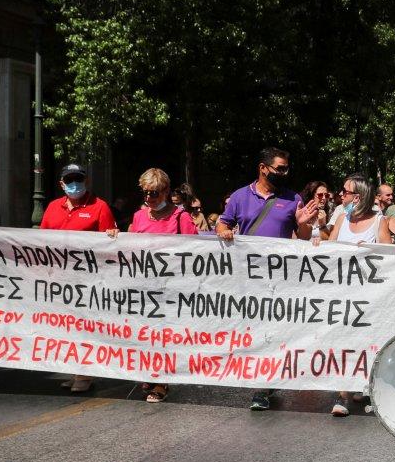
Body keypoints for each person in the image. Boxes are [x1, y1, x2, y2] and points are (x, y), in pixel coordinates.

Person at [217, 147, 320, 411]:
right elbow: (222, 223)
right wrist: (224, 232)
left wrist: (305, 222)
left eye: (287, 168)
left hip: (279, 280)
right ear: (263, 168)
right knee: (254, 329)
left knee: (272, 331)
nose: (285, 173)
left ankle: (263, 385)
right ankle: (263, 378)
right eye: (280, 168)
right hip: (249, 279)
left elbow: (305, 237)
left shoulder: (292, 197)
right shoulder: (240, 196)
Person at [106, 168, 196, 402]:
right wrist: (117, 236)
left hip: (170, 288)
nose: (148, 198)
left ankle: (161, 383)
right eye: (145, 193)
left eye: (154, 193)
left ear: (165, 191)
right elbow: (129, 247)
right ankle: (150, 371)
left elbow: (196, 252)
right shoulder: (138, 216)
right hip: (143, 287)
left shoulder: (181, 217)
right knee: (145, 333)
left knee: (163, 335)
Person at [39, 163, 117, 393]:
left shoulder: (100, 207)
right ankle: (75, 371)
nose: (75, 184)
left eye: (79, 179)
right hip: (58, 280)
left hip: (87, 281)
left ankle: (85, 374)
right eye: (70, 180)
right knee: (67, 327)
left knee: (85, 327)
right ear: (61, 183)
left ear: (86, 182)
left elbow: (109, 245)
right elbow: (39, 240)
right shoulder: (53, 207)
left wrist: (112, 235)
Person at [327, 174, 391, 416]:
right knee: (342, 343)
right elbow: (329, 252)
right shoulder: (342, 219)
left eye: (345, 191)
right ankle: (342, 395)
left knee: (366, 343)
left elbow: (390, 258)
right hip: (341, 296)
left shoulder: (379, 222)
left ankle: (368, 386)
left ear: (359, 196)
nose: (340, 195)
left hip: (368, 298)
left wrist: (371, 251)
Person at [300, 180, 333, 246]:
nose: (324, 198)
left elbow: (330, 240)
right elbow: (301, 238)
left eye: (326, 195)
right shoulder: (302, 213)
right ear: (312, 196)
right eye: (320, 195)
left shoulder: (330, 213)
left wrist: (323, 225)